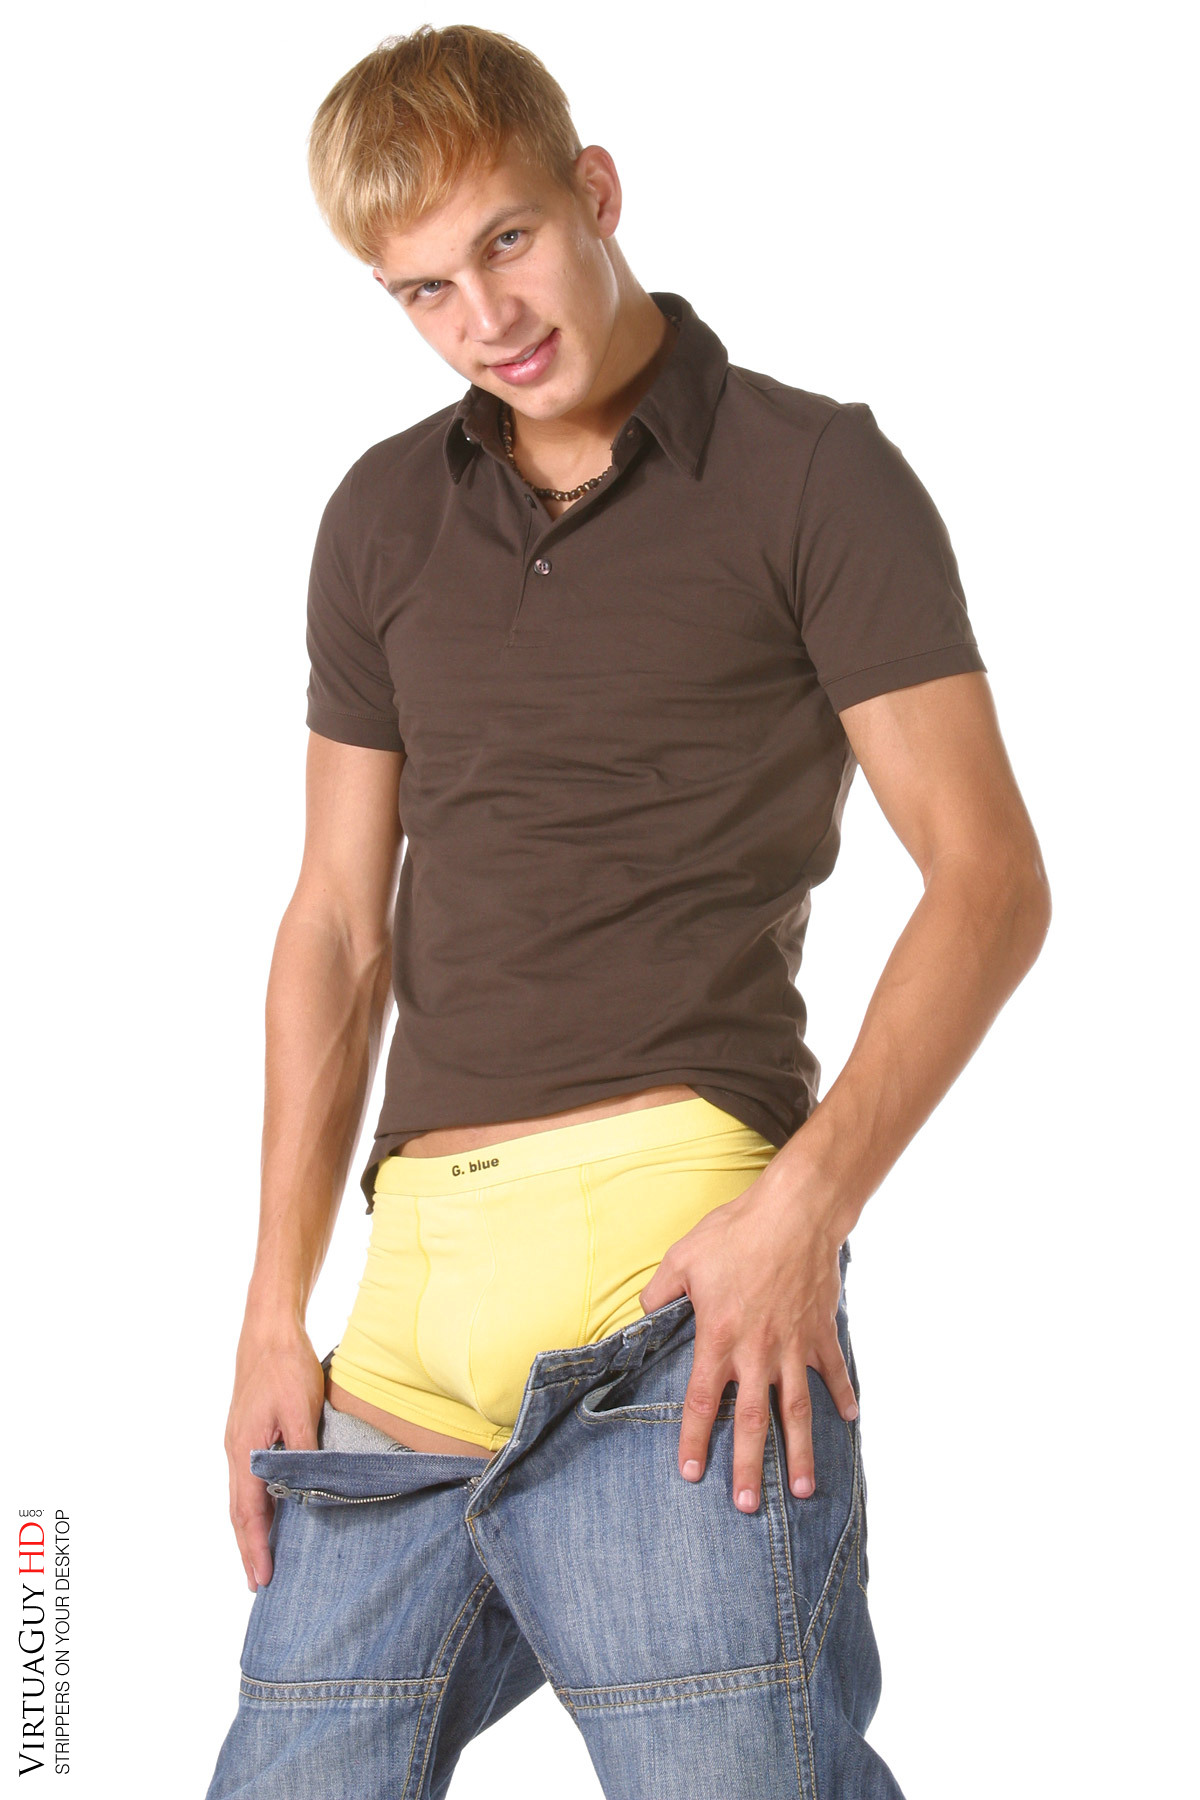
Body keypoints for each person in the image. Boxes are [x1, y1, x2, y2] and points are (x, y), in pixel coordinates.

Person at [205, 23, 1051, 1799]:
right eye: (423, 290)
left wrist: (805, 1208)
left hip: (672, 1291)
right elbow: (337, 929)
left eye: (505, 242)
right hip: (408, 1310)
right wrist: (275, 1310)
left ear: (593, 189)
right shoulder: (380, 515)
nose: (484, 319)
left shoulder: (811, 472)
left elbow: (989, 879)